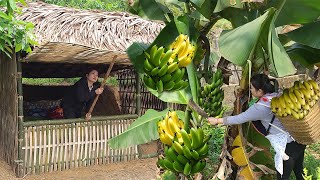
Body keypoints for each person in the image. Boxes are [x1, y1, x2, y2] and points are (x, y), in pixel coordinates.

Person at [208, 74, 306, 180]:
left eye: (251, 88)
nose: (250, 90)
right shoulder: (277, 95)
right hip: (298, 139)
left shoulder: (260, 108)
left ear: (260, 91)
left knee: (283, 177)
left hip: (287, 147)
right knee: (298, 172)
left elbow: (239, 118)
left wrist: (217, 120)